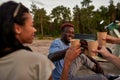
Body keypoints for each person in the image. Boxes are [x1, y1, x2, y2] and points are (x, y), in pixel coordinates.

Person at [0, 1, 81, 80]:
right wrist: (67, 60)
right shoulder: (38, 62)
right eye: (32, 25)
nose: (35, 30)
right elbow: (51, 57)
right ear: (17, 28)